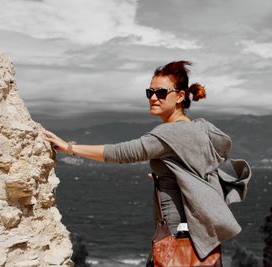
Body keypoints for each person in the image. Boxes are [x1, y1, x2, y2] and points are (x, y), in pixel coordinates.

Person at [41, 60, 251, 265]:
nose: (153, 98)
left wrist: (69, 147)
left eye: (161, 93)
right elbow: (197, 171)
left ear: (179, 96)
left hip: (179, 236)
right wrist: (169, 177)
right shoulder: (200, 129)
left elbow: (122, 153)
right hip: (202, 234)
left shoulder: (169, 133)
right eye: (150, 92)